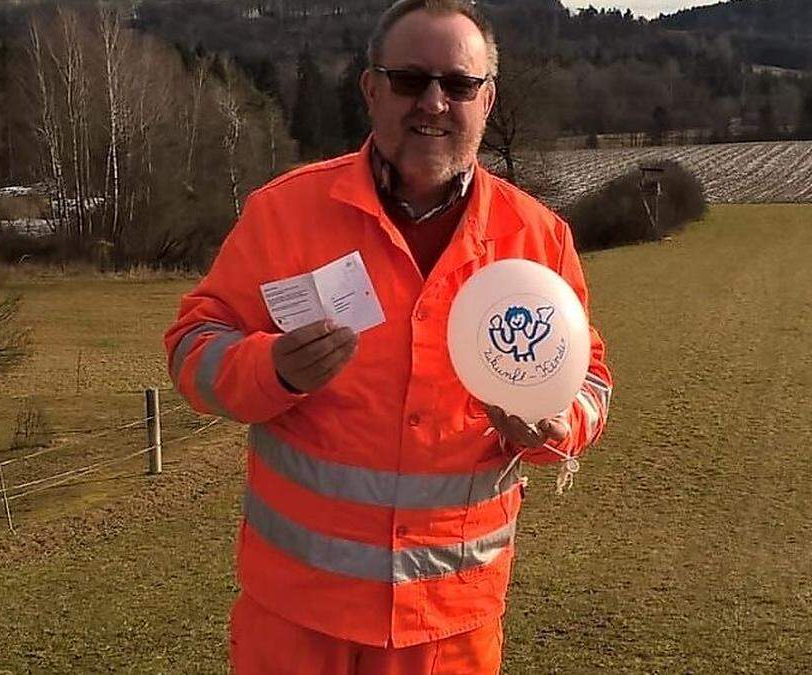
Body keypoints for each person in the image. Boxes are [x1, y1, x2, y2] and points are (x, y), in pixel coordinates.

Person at [164, 1, 612, 672]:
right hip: (297, 620)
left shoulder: (537, 239)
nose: (433, 102)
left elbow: (592, 381)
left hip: (452, 629)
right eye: (409, 79)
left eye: (458, 84)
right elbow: (191, 346)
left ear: (487, 100)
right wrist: (271, 370)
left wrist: (557, 423)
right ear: (371, 89)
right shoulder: (286, 213)